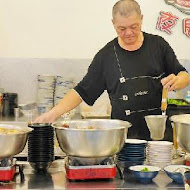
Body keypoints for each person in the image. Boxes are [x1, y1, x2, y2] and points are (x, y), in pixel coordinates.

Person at [35, 0, 190, 140]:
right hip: (124, 140)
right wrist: (53, 113)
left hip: (160, 138)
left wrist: (178, 81)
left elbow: (183, 74)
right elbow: (82, 91)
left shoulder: (158, 45)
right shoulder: (106, 56)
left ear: (141, 19)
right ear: (113, 23)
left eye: (134, 26)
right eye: (122, 28)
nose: (128, 33)